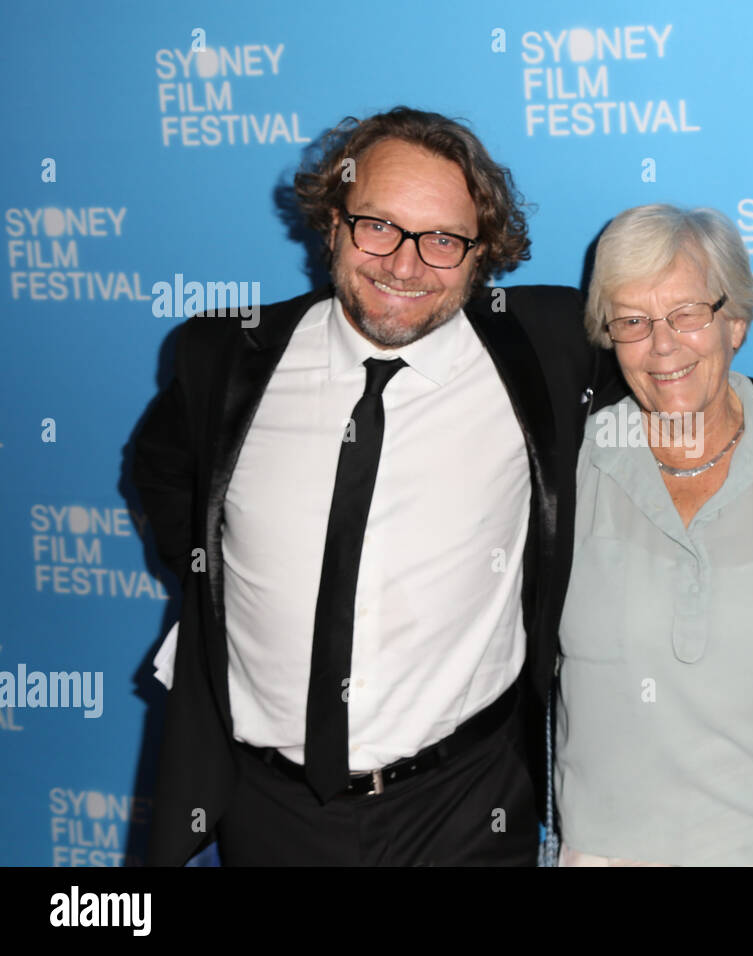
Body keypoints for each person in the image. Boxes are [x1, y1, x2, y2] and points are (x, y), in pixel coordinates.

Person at [132, 107, 600, 865]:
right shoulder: (222, 357)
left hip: (468, 806)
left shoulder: (544, 347)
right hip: (269, 808)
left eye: (443, 240)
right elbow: (159, 465)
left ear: (482, 255)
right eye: (377, 226)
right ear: (331, 222)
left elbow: (682, 367)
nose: (405, 265)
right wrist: (213, 576)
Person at [554, 204, 753, 866]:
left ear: (734, 320)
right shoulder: (567, 464)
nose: (662, 345)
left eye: (686, 314)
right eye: (632, 321)